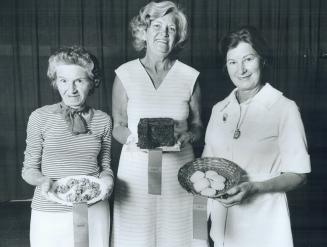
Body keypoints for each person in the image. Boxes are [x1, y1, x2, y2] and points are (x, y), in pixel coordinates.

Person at [202, 26, 311, 247]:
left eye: (248, 59)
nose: (241, 69)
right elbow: (206, 168)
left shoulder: (284, 108)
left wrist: (255, 187)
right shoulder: (219, 109)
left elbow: (299, 175)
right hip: (221, 228)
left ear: (262, 60)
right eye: (233, 62)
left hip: (265, 227)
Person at [111, 1, 206, 247]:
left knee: (178, 234)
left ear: (178, 36)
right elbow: (118, 125)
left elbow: (197, 125)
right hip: (135, 173)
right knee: (135, 237)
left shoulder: (190, 77)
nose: (164, 34)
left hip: (179, 173)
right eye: (157, 25)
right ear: (144, 30)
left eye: (171, 28)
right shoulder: (124, 74)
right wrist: (135, 140)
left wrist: (189, 136)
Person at [22, 46, 114, 247]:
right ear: (55, 82)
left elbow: (105, 166)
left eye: (79, 81)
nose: (71, 89)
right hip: (49, 210)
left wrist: (108, 180)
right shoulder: (40, 117)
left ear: (92, 82)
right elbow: (28, 170)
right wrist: (43, 180)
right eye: (63, 81)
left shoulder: (103, 120)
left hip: (94, 208)